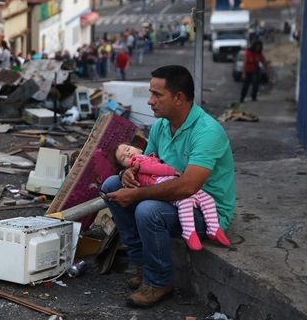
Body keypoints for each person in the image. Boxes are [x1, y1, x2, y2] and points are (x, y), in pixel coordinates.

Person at [100, 65, 236, 308]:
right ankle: (143, 264)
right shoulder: (161, 125)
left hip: (204, 210)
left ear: (179, 98)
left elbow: (188, 186)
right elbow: (147, 164)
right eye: (150, 94)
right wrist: (129, 172)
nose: (150, 101)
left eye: (157, 95)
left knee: (148, 209)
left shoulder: (207, 131)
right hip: (172, 199)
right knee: (112, 184)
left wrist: (136, 194)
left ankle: (159, 280)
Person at [113, 143, 231, 251]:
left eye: (127, 149)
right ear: (126, 166)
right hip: (162, 183)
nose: (128, 154)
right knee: (184, 201)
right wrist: (173, 171)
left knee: (207, 198)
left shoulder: (146, 156)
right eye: (124, 158)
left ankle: (214, 228)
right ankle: (189, 232)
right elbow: (154, 168)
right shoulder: (137, 161)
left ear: (139, 148)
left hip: (171, 182)